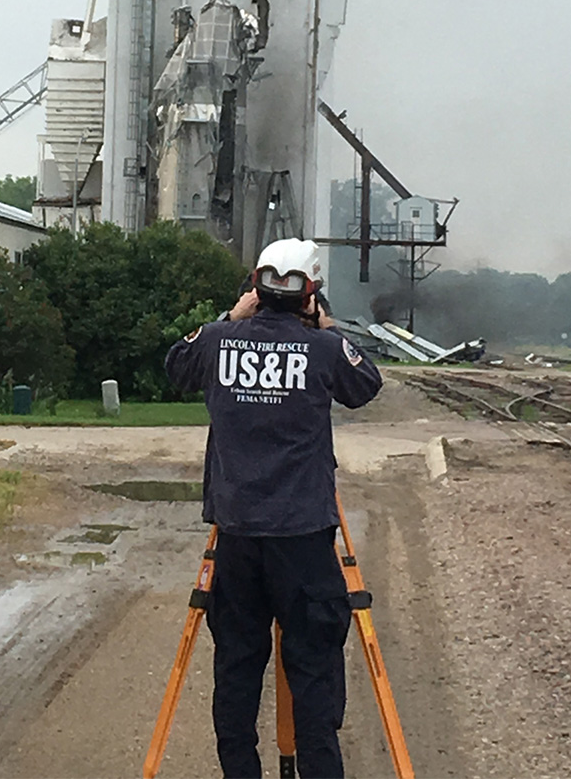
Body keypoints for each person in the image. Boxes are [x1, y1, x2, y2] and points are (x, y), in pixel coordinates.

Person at [164, 238, 383, 778]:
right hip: (305, 539)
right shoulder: (325, 349)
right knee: (313, 673)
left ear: (255, 288)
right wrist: (326, 327)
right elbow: (365, 385)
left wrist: (229, 317)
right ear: (310, 293)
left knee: (237, 670)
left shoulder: (219, 341)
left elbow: (176, 368)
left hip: (236, 538)